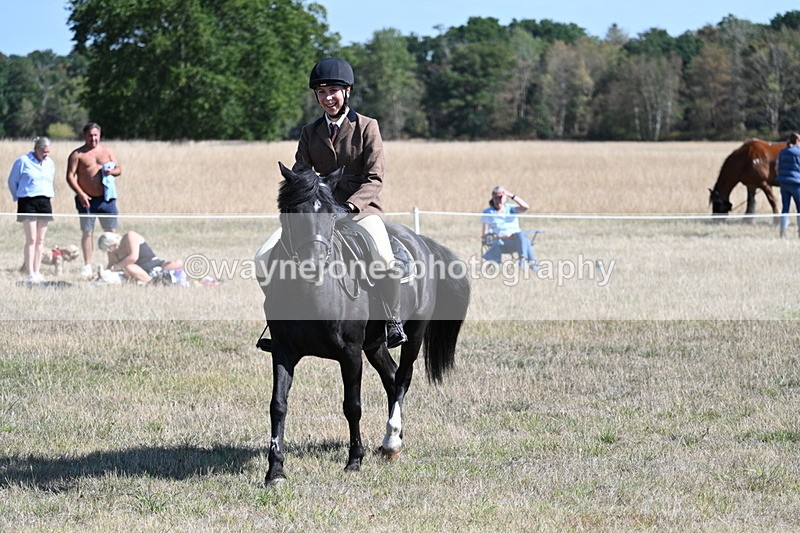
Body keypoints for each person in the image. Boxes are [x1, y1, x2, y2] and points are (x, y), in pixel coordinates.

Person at [255, 56, 407, 348]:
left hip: (360, 211)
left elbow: (375, 178)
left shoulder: (367, 126)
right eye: (321, 92)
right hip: (318, 213)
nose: (327, 98)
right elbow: (301, 175)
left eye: (333, 91)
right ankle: (280, 323)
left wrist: (348, 207)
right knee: (263, 257)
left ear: (346, 91)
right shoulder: (310, 132)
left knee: (383, 257)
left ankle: (392, 320)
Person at [65, 122, 123, 277]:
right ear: (85, 136)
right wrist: (81, 194)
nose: (93, 138)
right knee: (87, 231)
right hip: (87, 200)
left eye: (95, 135)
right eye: (90, 135)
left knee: (111, 233)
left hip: (106, 199)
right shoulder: (77, 154)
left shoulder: (107, 151)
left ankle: (113, 264)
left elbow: (119, 169)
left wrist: (111, 172)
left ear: (100, 135)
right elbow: (70, 176)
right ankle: (87, 265)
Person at [7, 136, 56, 283]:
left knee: (40, 239)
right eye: (43, 152)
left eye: (48, 152)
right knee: (32, 238)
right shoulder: (22, 161)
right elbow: (12, 181)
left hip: (45, 201)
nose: (46, 155)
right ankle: (29, 273)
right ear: (36, 149)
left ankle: (37, 270)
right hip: (27, 201)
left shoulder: (50, 163)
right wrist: (18, 197)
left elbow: (50, 179)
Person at [481, 185, 537, 268]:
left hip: (516, 240)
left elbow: (525, 207)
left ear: (505, 198)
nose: (498, 200)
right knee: (526, 242)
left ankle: (523, 260)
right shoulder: (488, 212)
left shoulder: (511, 209)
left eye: (500, 197)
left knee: (521, 236)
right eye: (495, 198)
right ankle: (533, 266)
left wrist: (511, 195)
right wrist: (500, 236)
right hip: (500, 242)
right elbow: (485, 235)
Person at [97, 231, 183, 284]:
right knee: (128, 267)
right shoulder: (113, 253)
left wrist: (117, 266)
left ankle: (162, 276)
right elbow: (110, 266)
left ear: (112, 241)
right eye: (107, 249)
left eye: (108, 247)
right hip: (139, 271)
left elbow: (133, 257)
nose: (109, 251)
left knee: (178, 263)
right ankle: (153, 282)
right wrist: (102, 274)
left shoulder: (129, 236)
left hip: (155, 264)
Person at [777, 132, 800, 238]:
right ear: (797, 141)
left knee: (785, 208)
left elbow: (777, 166)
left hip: (784, 183)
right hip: (796, 183)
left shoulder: (782, 152)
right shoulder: (798, 153)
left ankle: (782, 232)